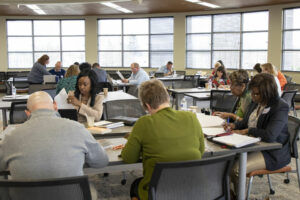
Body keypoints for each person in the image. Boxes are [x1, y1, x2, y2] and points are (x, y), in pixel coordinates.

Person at [0, 91, 108, 199]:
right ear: (55, 106)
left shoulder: (11, 136)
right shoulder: (77, 128)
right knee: (91, 190)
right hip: (72, 196)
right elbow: (101, 162)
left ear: (27, 113)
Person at [121, 79, 205, 200]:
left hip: (158, 193)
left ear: (147, 106)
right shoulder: (191, 117)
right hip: (192, 190)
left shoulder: (144, 123)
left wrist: (137, 143)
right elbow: (201, 151)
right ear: (167, 98)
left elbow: (128, 158)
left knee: (135, 185)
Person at [224, 73, 291, 195]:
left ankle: (240, 197)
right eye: (252, 93)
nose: (253, 97)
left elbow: (270, 135)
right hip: (254, 144)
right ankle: (230, 195)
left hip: (272, 152)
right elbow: (246, 121)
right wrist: (234, 125)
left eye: (256, 94)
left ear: (267, 93)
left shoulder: (280, 107)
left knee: (236, 169)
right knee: (224, 163)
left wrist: (248, 131)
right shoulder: (256, 102)